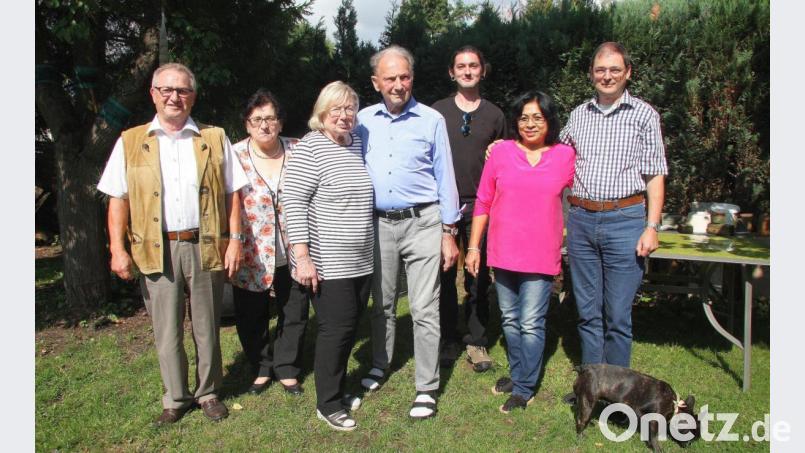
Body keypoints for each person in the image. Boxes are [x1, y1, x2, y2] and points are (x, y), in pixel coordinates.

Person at [97, 62, 248, 425]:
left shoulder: (214, 137)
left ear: (193, 97)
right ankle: (176, 398)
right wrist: (117, 249)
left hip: (205, 244)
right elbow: (117, 198)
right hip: (154, 248)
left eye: (181, 90)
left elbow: (233, 193)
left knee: (206, 326)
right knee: (166, 330)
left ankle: (208, 392)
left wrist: (235, 241)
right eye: (166, 89)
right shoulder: (131, 141)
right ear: (153, 94)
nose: (173, 97)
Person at [357, 45, 461, 420]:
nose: (398, 84)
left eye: (404, 77)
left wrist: (449, 232)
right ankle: (379, 364)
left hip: (423, 223)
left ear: (411, 78)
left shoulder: (431, 119)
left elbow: (444, 176)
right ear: (376, 82)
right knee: (382, 302)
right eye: (390, 78)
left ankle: (426, 386)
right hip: (379, 224)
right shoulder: (362, 120)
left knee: (423, 307)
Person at [465, 91, 574, 413]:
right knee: (511, 320)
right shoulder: (501, 153)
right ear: (516, 122)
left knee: (530, 321)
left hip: (541, 255)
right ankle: (519, 374)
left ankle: (525, 387)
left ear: (549, 121)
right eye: (524, 117)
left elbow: (583, 196)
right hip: (503, 251)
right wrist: (473, 247)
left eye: (537, 117)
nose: (530, 123)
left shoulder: (565, 156)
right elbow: (483, 201)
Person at [560, 42, 668, 368]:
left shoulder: (644, 115)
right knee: (587, 312)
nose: (607, 76)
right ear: (592, 73)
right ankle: (591, 383)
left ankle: (617, 390)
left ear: (627, 73)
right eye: (601, 70)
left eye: (615, 70)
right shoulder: (578, 115)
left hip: (625, 220)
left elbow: (655, 175)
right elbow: (553, 156)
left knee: (618, 315)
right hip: (581, 221)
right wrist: (505, 149)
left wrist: (651, 226)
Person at [282, 81, 374, 431]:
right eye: (336, 108)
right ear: (322, 113)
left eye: (350, 108)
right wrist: (302, 257)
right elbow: (294, 203)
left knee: (350, 327)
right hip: (327, 260)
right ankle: (328, 404)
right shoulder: (310, 148)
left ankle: (335, 389)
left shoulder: (357, 144)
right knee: (336, 329)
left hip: (361, 258)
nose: (344, 115)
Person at [230, 89, 309, 396]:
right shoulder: (234, 156)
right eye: (257, 119)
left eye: (270, 118)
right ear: (247, 124)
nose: (264, 125)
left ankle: (288, 367)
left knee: (295, 308)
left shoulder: (298, 149)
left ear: (280, 121)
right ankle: (262, 366)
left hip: (296, 247)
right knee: (251, 312)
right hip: (251, 249)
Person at [431, 45, 505, 371]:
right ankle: (448, 338)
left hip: (482, 206)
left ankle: (476, 339)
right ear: (452, 72)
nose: (467, 71)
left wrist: (500, 150)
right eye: (461, 66)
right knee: (444, 275)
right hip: (443, 204)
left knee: (478, 276)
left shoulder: (495, 115)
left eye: (473, 65)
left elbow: (505, 161)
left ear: (482, 70)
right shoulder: (437, 113)